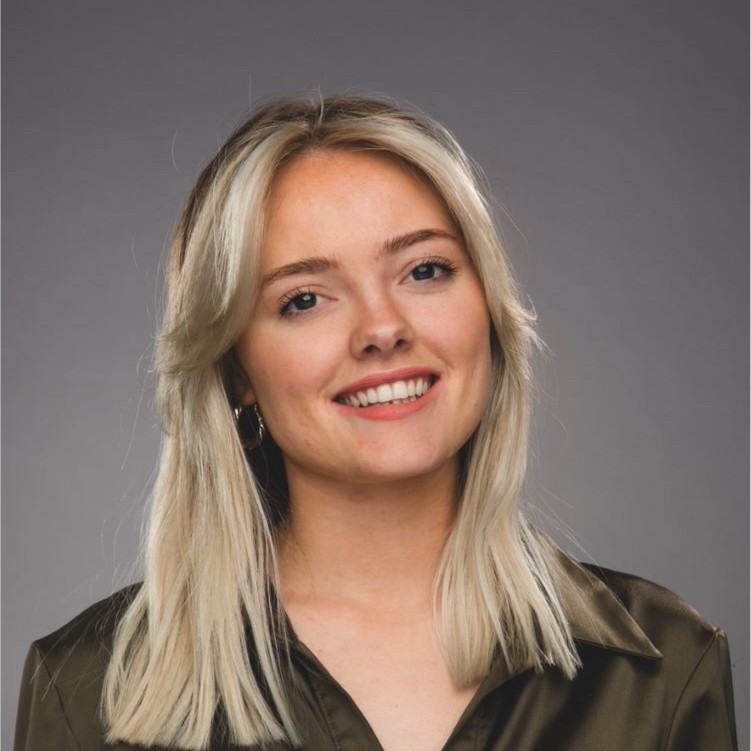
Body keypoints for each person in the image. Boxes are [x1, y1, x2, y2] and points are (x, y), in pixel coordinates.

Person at [14, 95, 737, 751]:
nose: (383, 328)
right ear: (236, 371)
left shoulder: (664, 669)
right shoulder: (87, 693)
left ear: (488, 311)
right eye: (304, 299)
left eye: (423, 270)